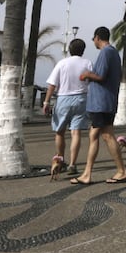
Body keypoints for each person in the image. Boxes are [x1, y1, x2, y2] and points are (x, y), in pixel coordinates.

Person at [73, 26, 126, 185]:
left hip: (102, 103)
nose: (93, 42)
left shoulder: (106, 52)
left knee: (107, 136)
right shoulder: (113, 52)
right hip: (104, 102)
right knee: (94, 136)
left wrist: (86, 75)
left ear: (97, 37)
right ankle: (87, 173)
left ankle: (121, 171)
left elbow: (101, 75)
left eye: (93, 39)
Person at [42, 37, 92, 176]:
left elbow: (52, 84)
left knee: (60, 132)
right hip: (81, 98)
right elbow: (92, 81)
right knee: (76, 132)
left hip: (63, 98)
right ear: (83, 50)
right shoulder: (87, 63)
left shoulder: (62, 63)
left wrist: (46, 102)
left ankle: (60, 159)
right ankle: (73, 164)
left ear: (70, 50)